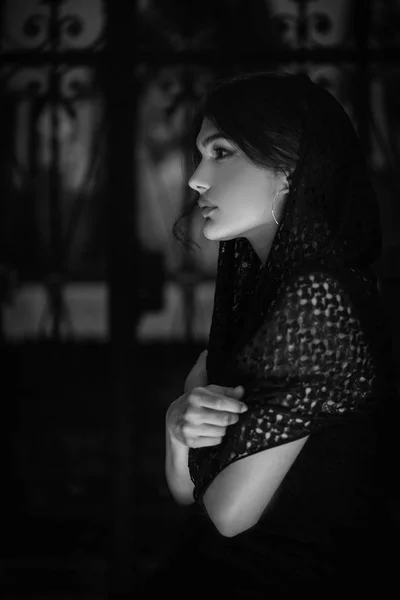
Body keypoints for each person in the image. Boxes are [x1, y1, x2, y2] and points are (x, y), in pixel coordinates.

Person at [139, 72, 398, 597]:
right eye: (201, 153)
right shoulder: (264, 295)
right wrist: (176, 426)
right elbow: (188, 494)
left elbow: (230, 514)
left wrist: (194, 418)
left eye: (221, 151)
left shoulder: (317, 300)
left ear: (287, 168)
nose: (196, 178)